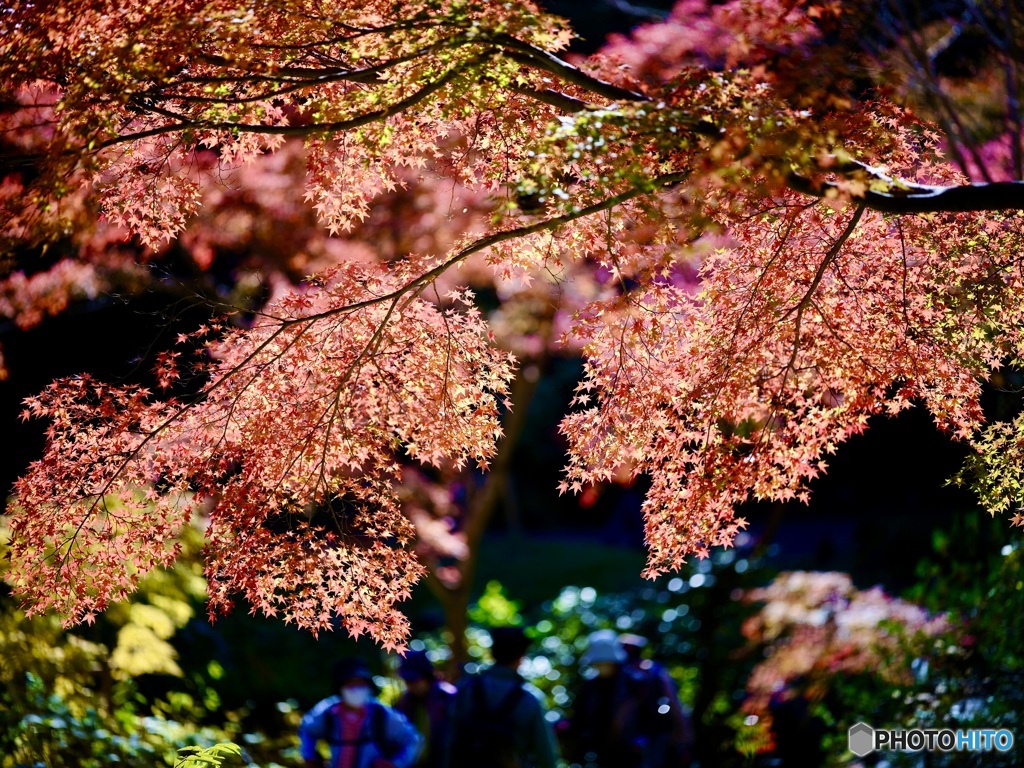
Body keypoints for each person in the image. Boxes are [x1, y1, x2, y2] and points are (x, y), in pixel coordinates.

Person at [568, 629, 690, 768]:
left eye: (604, 663)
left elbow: (655, 716)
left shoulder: (637, 682)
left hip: (637, 751)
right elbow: (582, 718)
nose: (600, 667)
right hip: (604, 753)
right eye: (598, 663)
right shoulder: (592, 686)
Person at [446, 626, 560, 768]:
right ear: (521, 657)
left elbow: (448, 739)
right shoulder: (529, 699)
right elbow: (546, 755)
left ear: (491, 653)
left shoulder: (466, 689)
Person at [300, 657, 423, 768]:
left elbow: (413, 739)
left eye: (361, 684)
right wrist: (310, 756)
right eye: (351, 684)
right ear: (340, 688)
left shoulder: (380, 714)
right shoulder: (328, 712)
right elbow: (307, 729)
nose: (357, 690)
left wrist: (396, 764)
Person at [619, 633, 694, 768]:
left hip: (652, 732)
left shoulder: (644, 672)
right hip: (645, 733)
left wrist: (683, 729)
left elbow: (671, 698)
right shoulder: (652, 669)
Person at [393, 650, 457, 768]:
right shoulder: (404, 703)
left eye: (415, 680)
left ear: (427, 676)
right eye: (408, 681)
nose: (412, 685)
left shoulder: (447, 699)